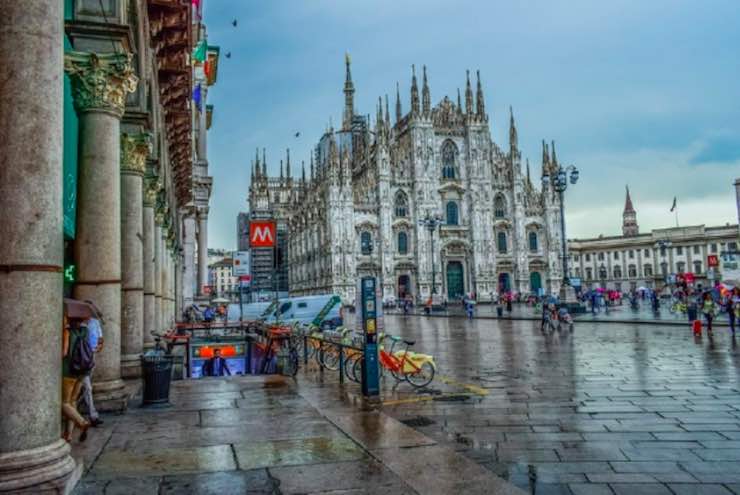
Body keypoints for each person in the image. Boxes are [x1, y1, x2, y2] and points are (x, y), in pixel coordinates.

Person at [62, 315, 90, 443]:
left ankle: (81, 422)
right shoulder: (85, 331)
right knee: (73, 401)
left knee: (64, 403)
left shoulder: (68, 332)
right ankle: (68, 434)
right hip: (82, 372)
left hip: (69, 371)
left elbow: (64, 352)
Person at [79, 306, 104, 427]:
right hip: (80, 360)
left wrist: (100, 346)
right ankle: (92, 415)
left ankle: (85, 408)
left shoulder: (95, 322)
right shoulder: (80, 327)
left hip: (90, 356)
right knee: (87, 387)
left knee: (86, 386)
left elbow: (100, 337)